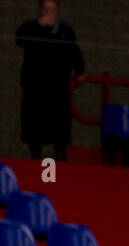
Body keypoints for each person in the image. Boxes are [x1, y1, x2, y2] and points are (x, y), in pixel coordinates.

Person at [14, 0, 85, 161]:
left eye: (52, 9)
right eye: (46, 9)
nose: (49, 13)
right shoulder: (31, 28)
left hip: (58, 89)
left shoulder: (65, 31)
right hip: (35, 89)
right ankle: (36, 159)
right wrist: (40, 24)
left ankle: (59, 160)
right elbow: (19, 40)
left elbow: (75, 52)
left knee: (60, 128)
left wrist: (80, 71)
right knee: (34, 127)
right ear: (40, 10)